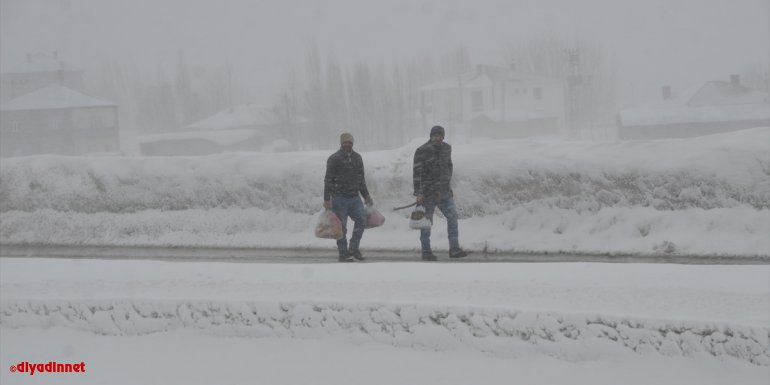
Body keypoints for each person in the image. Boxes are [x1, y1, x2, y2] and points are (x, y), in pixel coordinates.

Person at [413, 125, 468, 261]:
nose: (438, 138)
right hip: (428, 194)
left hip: (444, 192)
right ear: (431, 136)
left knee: (453, 217)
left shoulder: (447, 148)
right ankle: (426, 252)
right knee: (426, 223)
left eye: (440, 135)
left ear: (443, 136)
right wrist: (419, 193)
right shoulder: (422, 150)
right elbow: (417, 173)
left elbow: (449, 167)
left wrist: (447, 186)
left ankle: (454, 249)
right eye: (435, 135)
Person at [324, 133, 373, 262]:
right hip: (339, 198)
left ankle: (353, 248)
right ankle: (343, 253)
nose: (347, 144)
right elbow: (328, 180)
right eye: (345, 142)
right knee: (341, 227)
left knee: (361, 221)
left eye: (350, 142)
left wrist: (366, 195)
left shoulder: (357, 158)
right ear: (341, 143)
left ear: (353, 143)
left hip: (354, 197)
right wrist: (326, 199)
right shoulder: (334, 159)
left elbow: (361, 179)